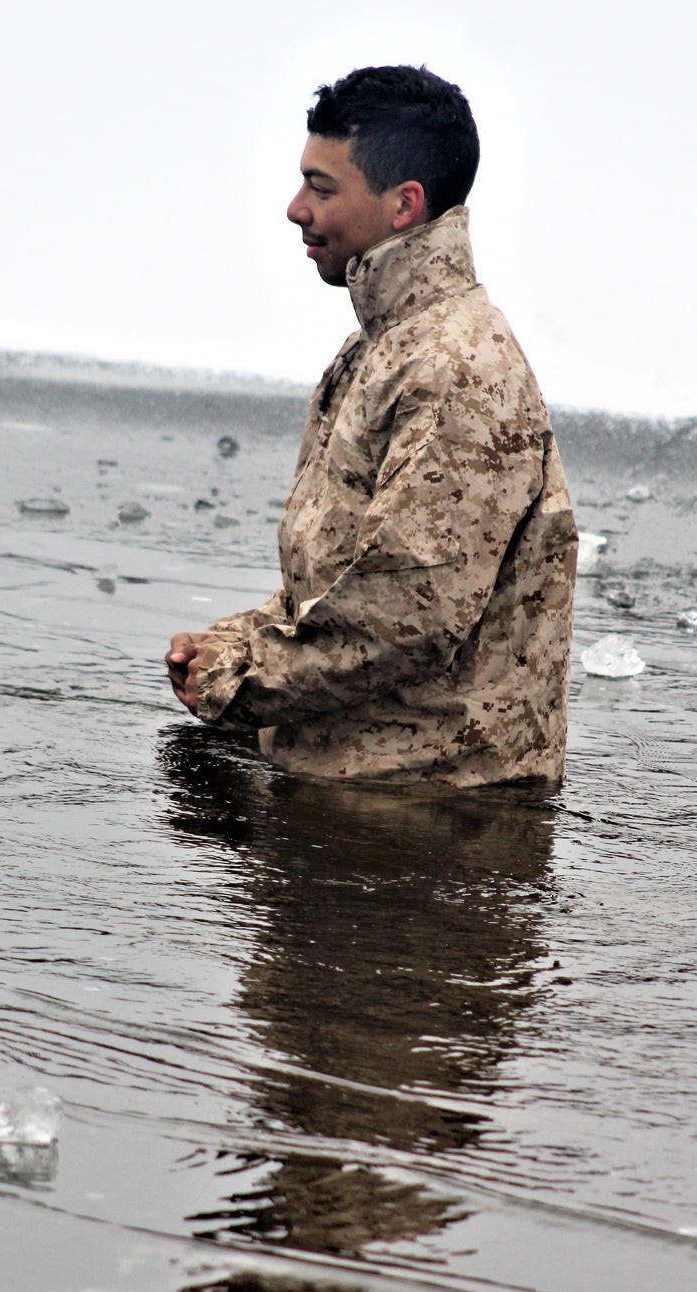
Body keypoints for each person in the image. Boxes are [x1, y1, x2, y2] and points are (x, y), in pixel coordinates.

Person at [166, 64, 577, 787]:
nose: (296, 209)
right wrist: (234, 640)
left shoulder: (454, 366)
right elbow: (339, 575)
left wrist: (236, 678)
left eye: (322, 188)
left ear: (403, 205)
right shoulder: (384, 345)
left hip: (434, 809)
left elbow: (406, 616)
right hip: (360, 779)